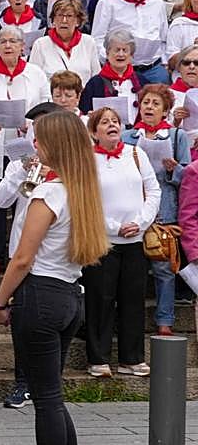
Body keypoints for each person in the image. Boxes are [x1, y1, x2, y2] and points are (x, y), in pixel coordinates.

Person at [0, 110, 110, 445]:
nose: (34, 146)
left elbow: (23, 257)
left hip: (39, 294)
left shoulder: (49, 194)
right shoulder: (82, 191)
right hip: (69, 294)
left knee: (45, 398)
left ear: (53, 146)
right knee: (52, 395)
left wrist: (0, 300)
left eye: (39, 140)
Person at [82, 106, 159, 377]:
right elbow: (85, 199)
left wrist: (140, 222)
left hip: (135, 240)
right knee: (100, 299)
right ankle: (98, 358)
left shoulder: (136, 153)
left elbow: (153, 190)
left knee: (133, 299)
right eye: (104, 122)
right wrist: (113, 226)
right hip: (103, 240)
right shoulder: (87, 159)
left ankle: (132, 358)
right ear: (94, 132)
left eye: (115, 121)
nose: (112, 125)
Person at [0, 27, 51, 276]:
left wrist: (28, 123)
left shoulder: (35, 74)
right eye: (3, 41)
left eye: (13, 41)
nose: (8, 46)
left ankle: (24, 252)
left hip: (28, 146)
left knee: (27, 200)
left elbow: (46, 109)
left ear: (23, 47)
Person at [123, 84, 189, 336]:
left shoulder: (175, 137)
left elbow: (186, 176)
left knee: (164, 269)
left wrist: (173, 168)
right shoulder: (129, 136)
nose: (149, 107)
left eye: (155, 104)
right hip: (133, 210)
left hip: (164, 211)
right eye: (146, 102)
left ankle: (165, 319)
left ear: (165, 111)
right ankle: (130, 321)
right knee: (131, 272)